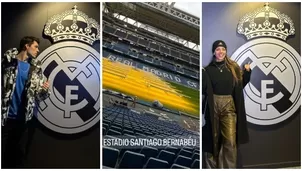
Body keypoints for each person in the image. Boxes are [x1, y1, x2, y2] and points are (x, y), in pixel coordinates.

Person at [1, 36, 51, 168]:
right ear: (26, 46)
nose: (38, 50)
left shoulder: (35, 69)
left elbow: (39, 96)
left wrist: (45, 90)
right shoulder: (6, 63)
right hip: (3, 117)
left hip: (22, 120)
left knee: (15, 158)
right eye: (35, 46)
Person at [203, 40, 251, 168]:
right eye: (218, 49)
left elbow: (240, 86)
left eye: (223, 49)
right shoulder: (207, 70)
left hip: (229, 106)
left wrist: (247, 73)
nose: (221, 52)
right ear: (214, 51)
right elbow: (204, 89)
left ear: (226, 51)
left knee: (230, 141)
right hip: (213, 106)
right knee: (212, 141)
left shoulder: (233, 68)